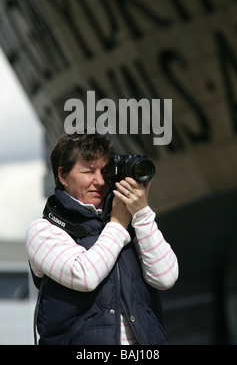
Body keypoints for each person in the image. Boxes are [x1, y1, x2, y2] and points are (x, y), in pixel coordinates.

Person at [26, 132, 178, 345]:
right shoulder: (43, 231)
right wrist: (117, 224)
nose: (99, 181)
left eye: (104, 171)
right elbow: (84, 277)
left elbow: (165, 278)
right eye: (88, 171)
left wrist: (141, 212)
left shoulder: (130, 221)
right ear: (62, 175)